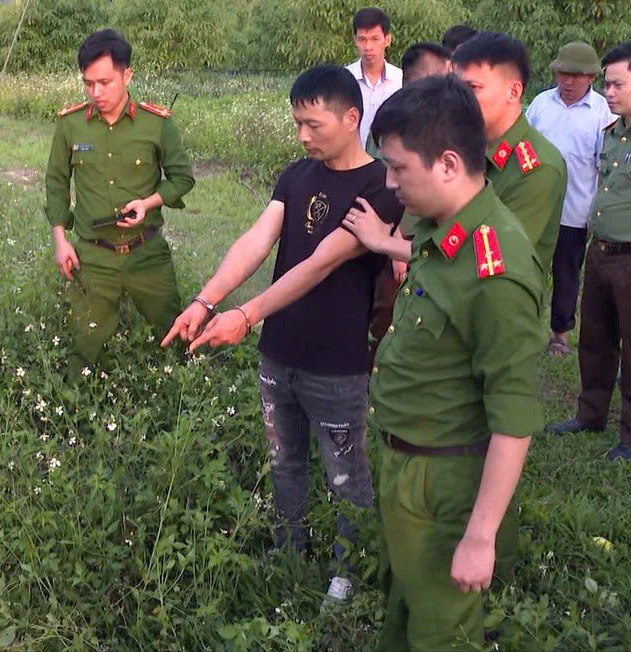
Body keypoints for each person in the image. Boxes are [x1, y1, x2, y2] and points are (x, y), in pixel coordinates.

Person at [162, 65, 404, 602]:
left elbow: (321, 263)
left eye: (313, 125)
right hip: (279, 353)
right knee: (284, 462)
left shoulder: (380, 187)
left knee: (346, 474)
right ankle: (288, 549)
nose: (302, 136)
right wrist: (206, 300)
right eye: (297, 124)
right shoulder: (296, 176)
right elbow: (257, 239)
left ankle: (348, 569)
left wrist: (246, 315)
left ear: (351, 118)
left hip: (336, 362)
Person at [357, 75, 544, 651]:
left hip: (444, 483)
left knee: (441, 631)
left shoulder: (496, 269)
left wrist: (480, 536)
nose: (390, 183)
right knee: (402, 607)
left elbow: (513, 416)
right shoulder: (443, 233)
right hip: (405, 462)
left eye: (398, 168)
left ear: (447, 163)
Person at [345, 33, 568, 276]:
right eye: (456, 86)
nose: (458, 99)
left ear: (513, 92)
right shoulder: (464, 145)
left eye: (473, 88)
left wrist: (385, 243)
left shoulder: (537, 168)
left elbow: (490, 257)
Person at [45, 29, 194, 380]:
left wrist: (149, 202)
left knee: (174, 335)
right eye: (88, 83)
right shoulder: (70, 125)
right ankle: (76, 401)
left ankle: (183, 393)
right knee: (84, 346)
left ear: (127, 75)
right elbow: (56, 182)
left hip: (147, 254)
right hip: (93, 256)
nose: (96, 93)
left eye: (105, 82)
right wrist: (60, 240)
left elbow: (182, 178)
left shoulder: (156, 124)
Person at [545, 43, 631, 461]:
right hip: (600, 250)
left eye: (617, 85)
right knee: (595, 339)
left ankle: (629, 436)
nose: (608, 93)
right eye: (608, 84)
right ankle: (590, 413)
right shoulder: (612, 134)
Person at [526, 42, 616, 356]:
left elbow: (605, 169)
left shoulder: (602, 113)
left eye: (576, 76)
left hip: (575, 212)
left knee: (566, 274)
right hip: (534, 209)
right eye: (563, 74)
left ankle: (560, 335)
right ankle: (523, 326)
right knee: (528, 269)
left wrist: (597, 213)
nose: (567, 81)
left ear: (591, 77)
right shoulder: (541, 104)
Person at [366, 41, 451, 368]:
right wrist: (395, 239)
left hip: (435, 233)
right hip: (397, 231)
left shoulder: (446, 117)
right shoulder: (395, 119)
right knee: (388, 311)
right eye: (446, 75)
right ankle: (378, 372)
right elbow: (383, 182)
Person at [346, 7, 403, 148]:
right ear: (355, 40)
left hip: (390, 158)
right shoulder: (344, 79)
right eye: (362, 40)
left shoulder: (401, 80)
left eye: (375, 39)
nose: (368, 47)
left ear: (387, 40)